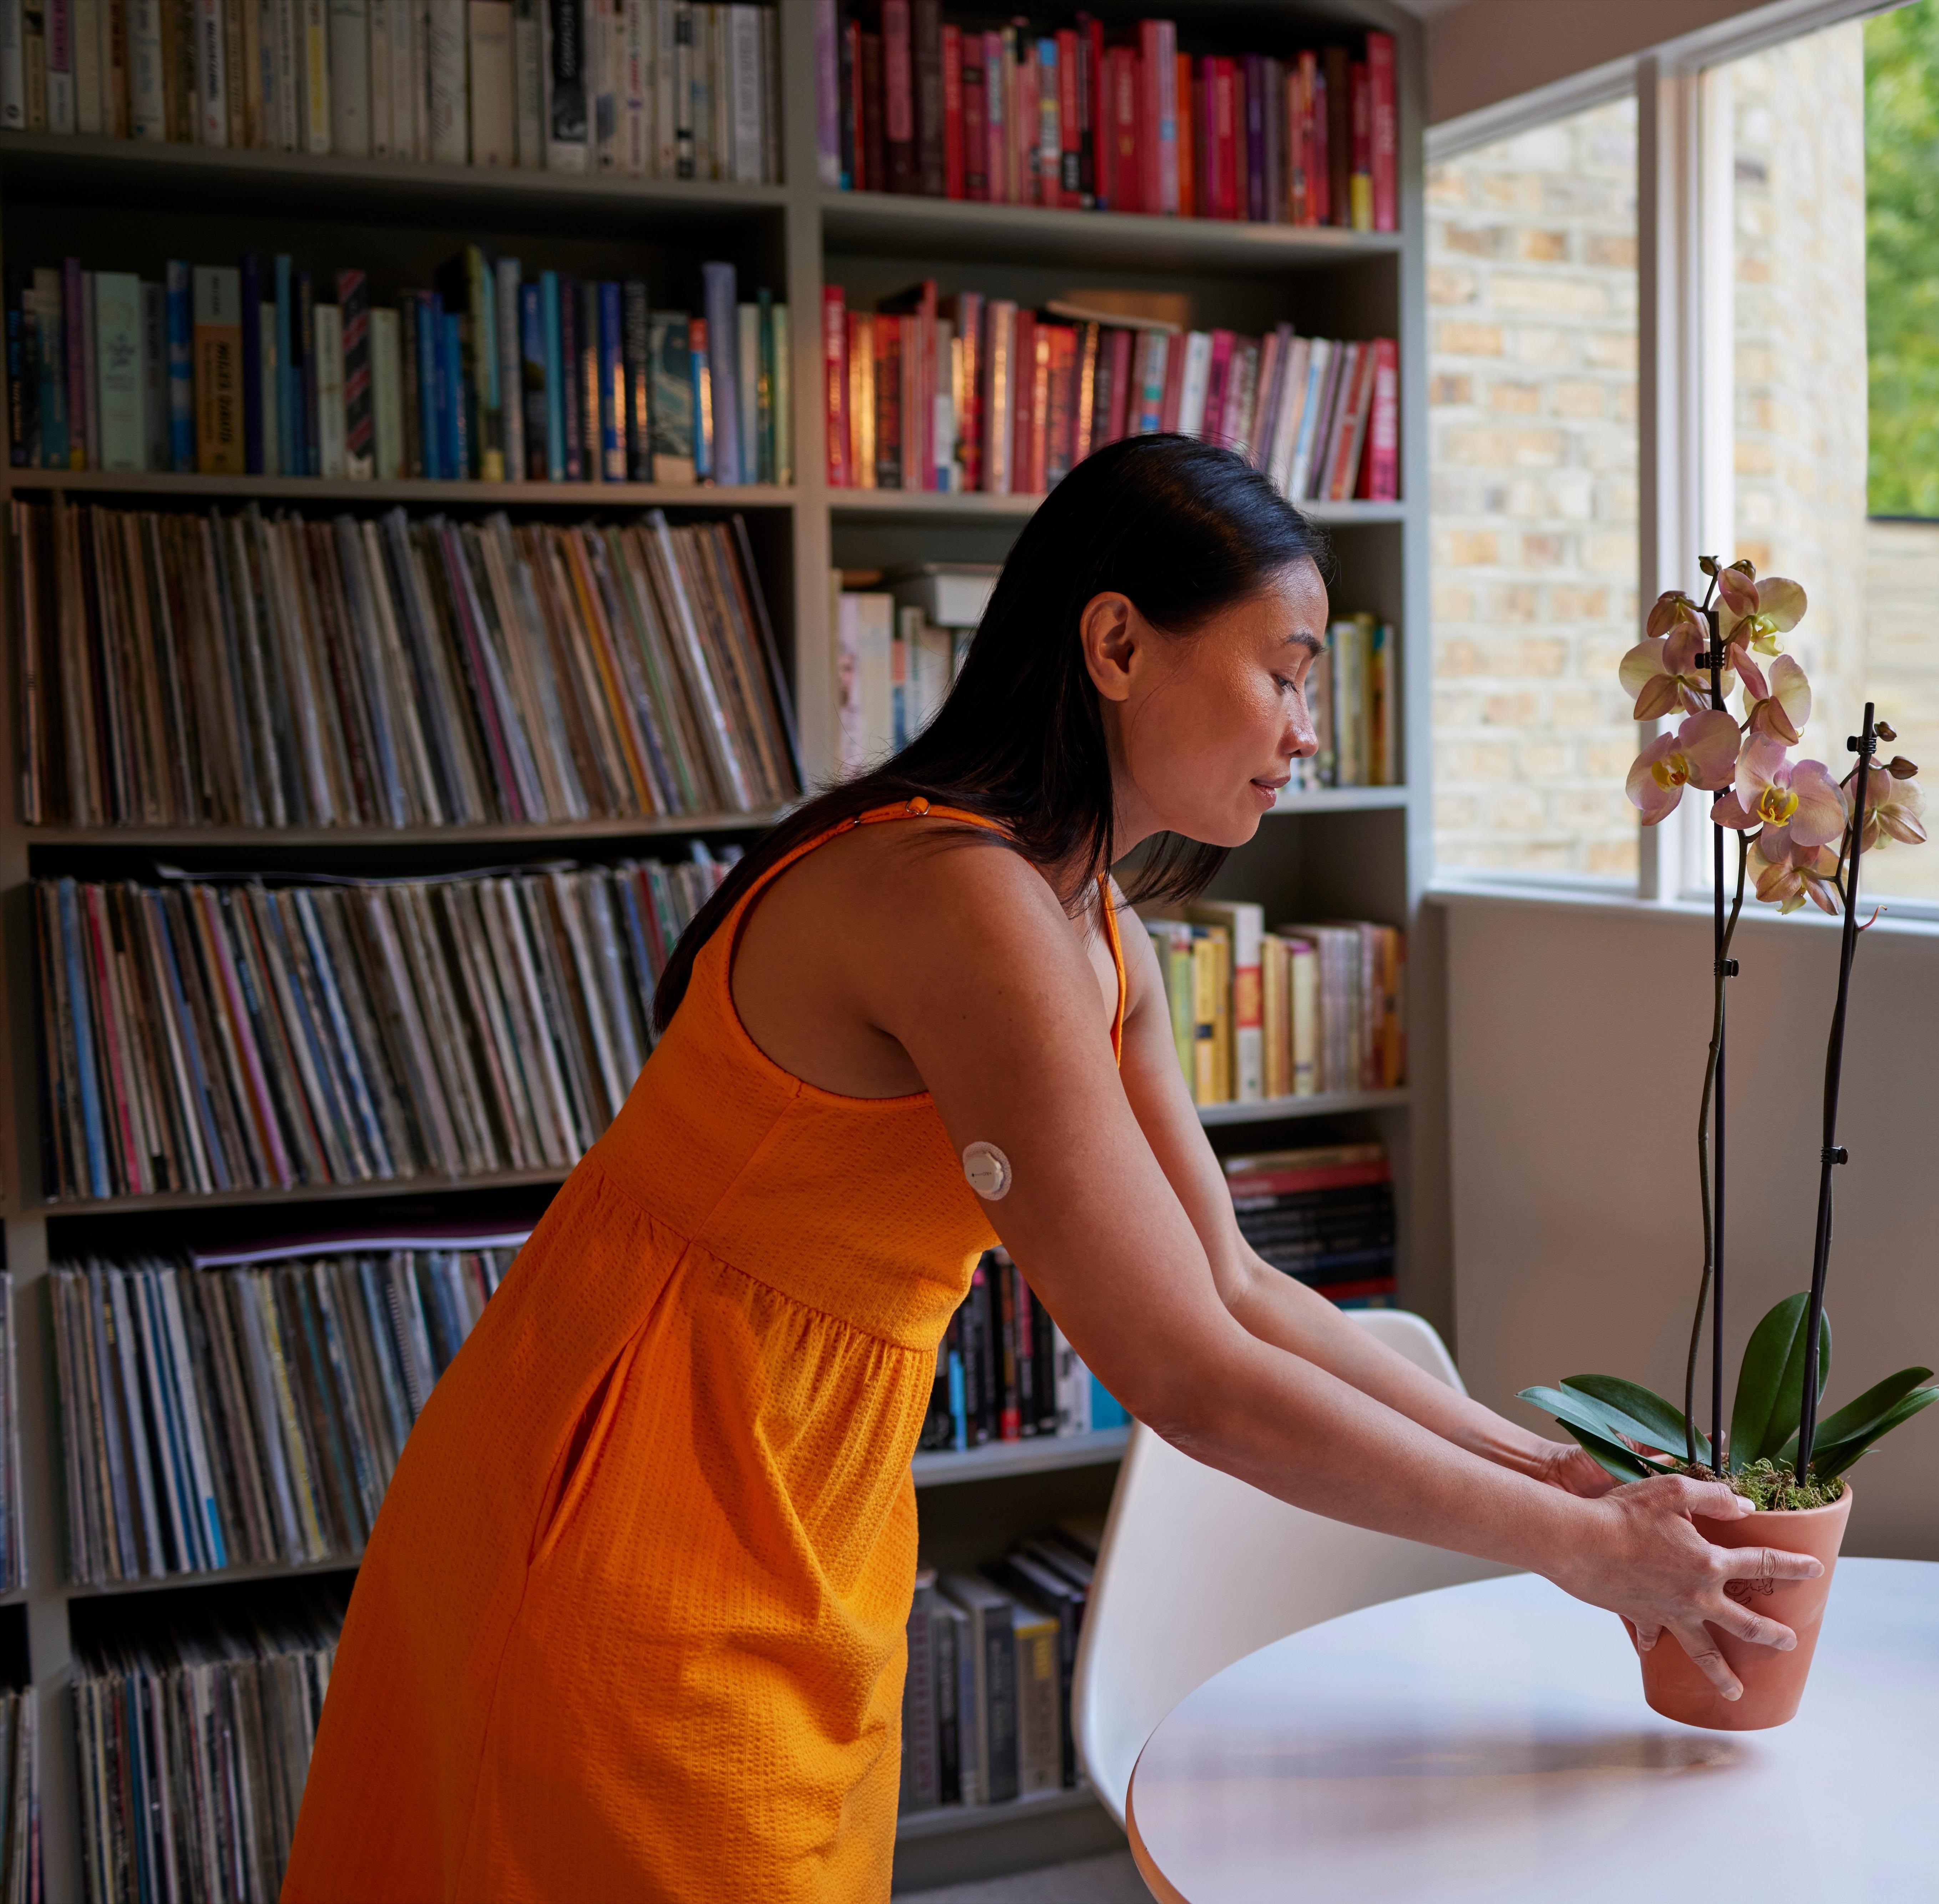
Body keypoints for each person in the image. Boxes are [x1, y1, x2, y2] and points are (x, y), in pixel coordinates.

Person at [281, 435, 1818, 1903]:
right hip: (635, 1489)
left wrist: (1555, 1471)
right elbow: (1185, 1372)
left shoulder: (1090, 927)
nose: (1306, 729)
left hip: (803, 1491)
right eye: (1284, 673)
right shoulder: (958, 901)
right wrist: (1579, 1549)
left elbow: (1231, 1281)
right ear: (1116, 643)